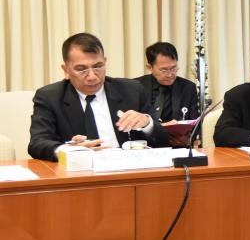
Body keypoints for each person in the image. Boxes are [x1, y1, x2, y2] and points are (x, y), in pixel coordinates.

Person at [28, 32, 169, 161]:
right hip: (80, 171)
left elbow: (164, 138)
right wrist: (69, 151)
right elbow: (38, 143)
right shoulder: (49, 97)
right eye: (81, 69)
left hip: (128, 167)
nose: (92, 76)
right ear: (66, 70)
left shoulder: (132, 90)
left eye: (98, 66)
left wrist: (147, 123)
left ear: (105, 62)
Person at [135, 42, 199, 123]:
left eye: (173, 68)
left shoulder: (188, 87)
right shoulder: (136, 86)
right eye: (163, 70)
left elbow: (193, 123)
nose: (169, 75)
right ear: (149, 67)